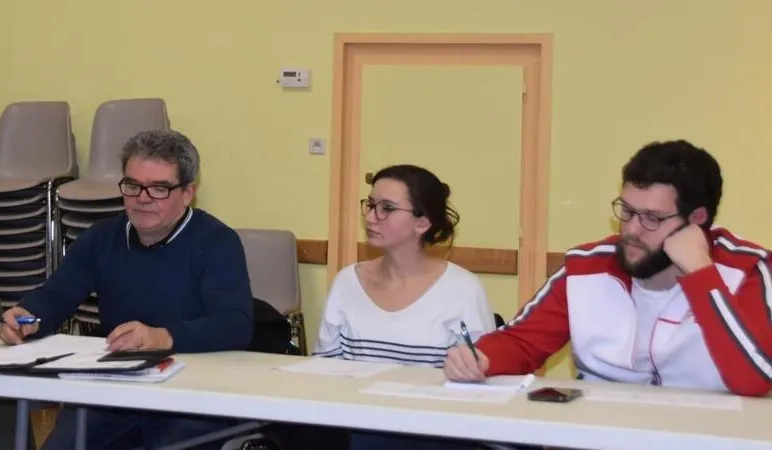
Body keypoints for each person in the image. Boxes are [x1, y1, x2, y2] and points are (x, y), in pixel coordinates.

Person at [444, 139, 772, 398]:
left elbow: (755, 380)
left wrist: (701, 273)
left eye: (651, 218)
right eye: (626, 211)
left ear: (696, 220)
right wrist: (480, 358)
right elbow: (521, 343)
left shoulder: (747, 269)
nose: (631, 230)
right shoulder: (587, 266)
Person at [0, 129, 254, 450]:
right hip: (115, 391)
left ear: (188, 192)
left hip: (192, 394)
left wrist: (163, 337)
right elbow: (56, 295)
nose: (142, 198)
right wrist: (27, 316)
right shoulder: (102, 238)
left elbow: (235, 324)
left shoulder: (217, 242)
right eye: (132, 185)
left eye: (159, 188)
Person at [315, 164, 495, 450]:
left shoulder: (463, 289)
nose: (371, 217)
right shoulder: (347, 282)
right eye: (370, 205)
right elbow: (324, 370)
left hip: (434, 432)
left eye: (387, 208)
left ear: (422, 224)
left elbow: (480, 382)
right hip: (358, 425)